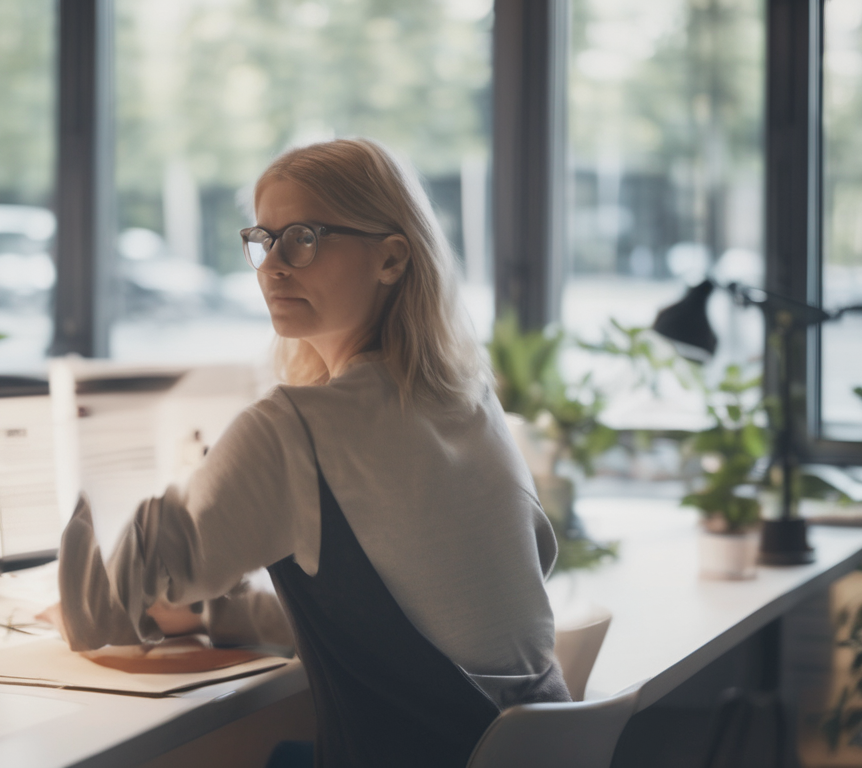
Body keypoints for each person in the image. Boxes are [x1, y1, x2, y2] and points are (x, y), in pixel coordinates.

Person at [55, 138, 568, 768]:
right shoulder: (470, 404)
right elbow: (418, 613)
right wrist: (225, 614)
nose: (273, 265)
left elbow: (97, 610)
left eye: (303, 238)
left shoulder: (293, 429)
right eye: (263, 240)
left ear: (391, 259)